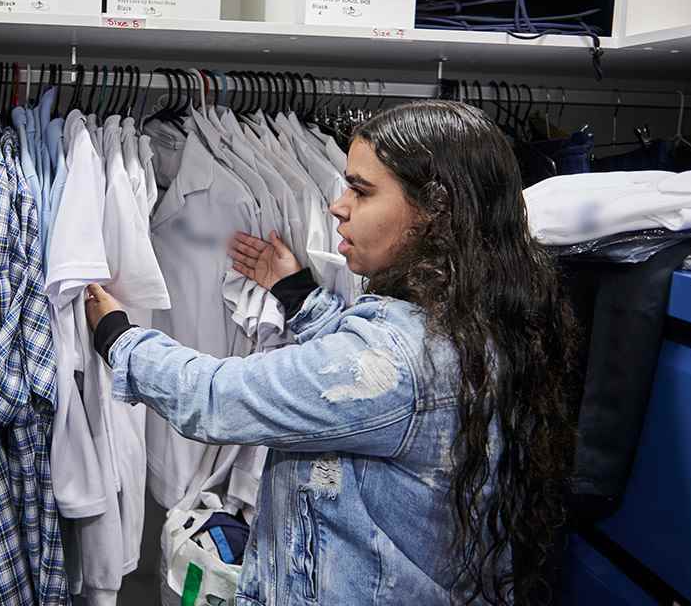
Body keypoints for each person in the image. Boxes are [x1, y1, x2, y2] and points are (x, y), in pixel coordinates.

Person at [87, 100, 579, 605]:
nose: (337, 205)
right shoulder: (480, 323)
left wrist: (119, 337)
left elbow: (217, 398)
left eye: (361, 191)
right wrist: (298, 293)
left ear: (436, 211)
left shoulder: (404, 357)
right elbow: (360, 384)